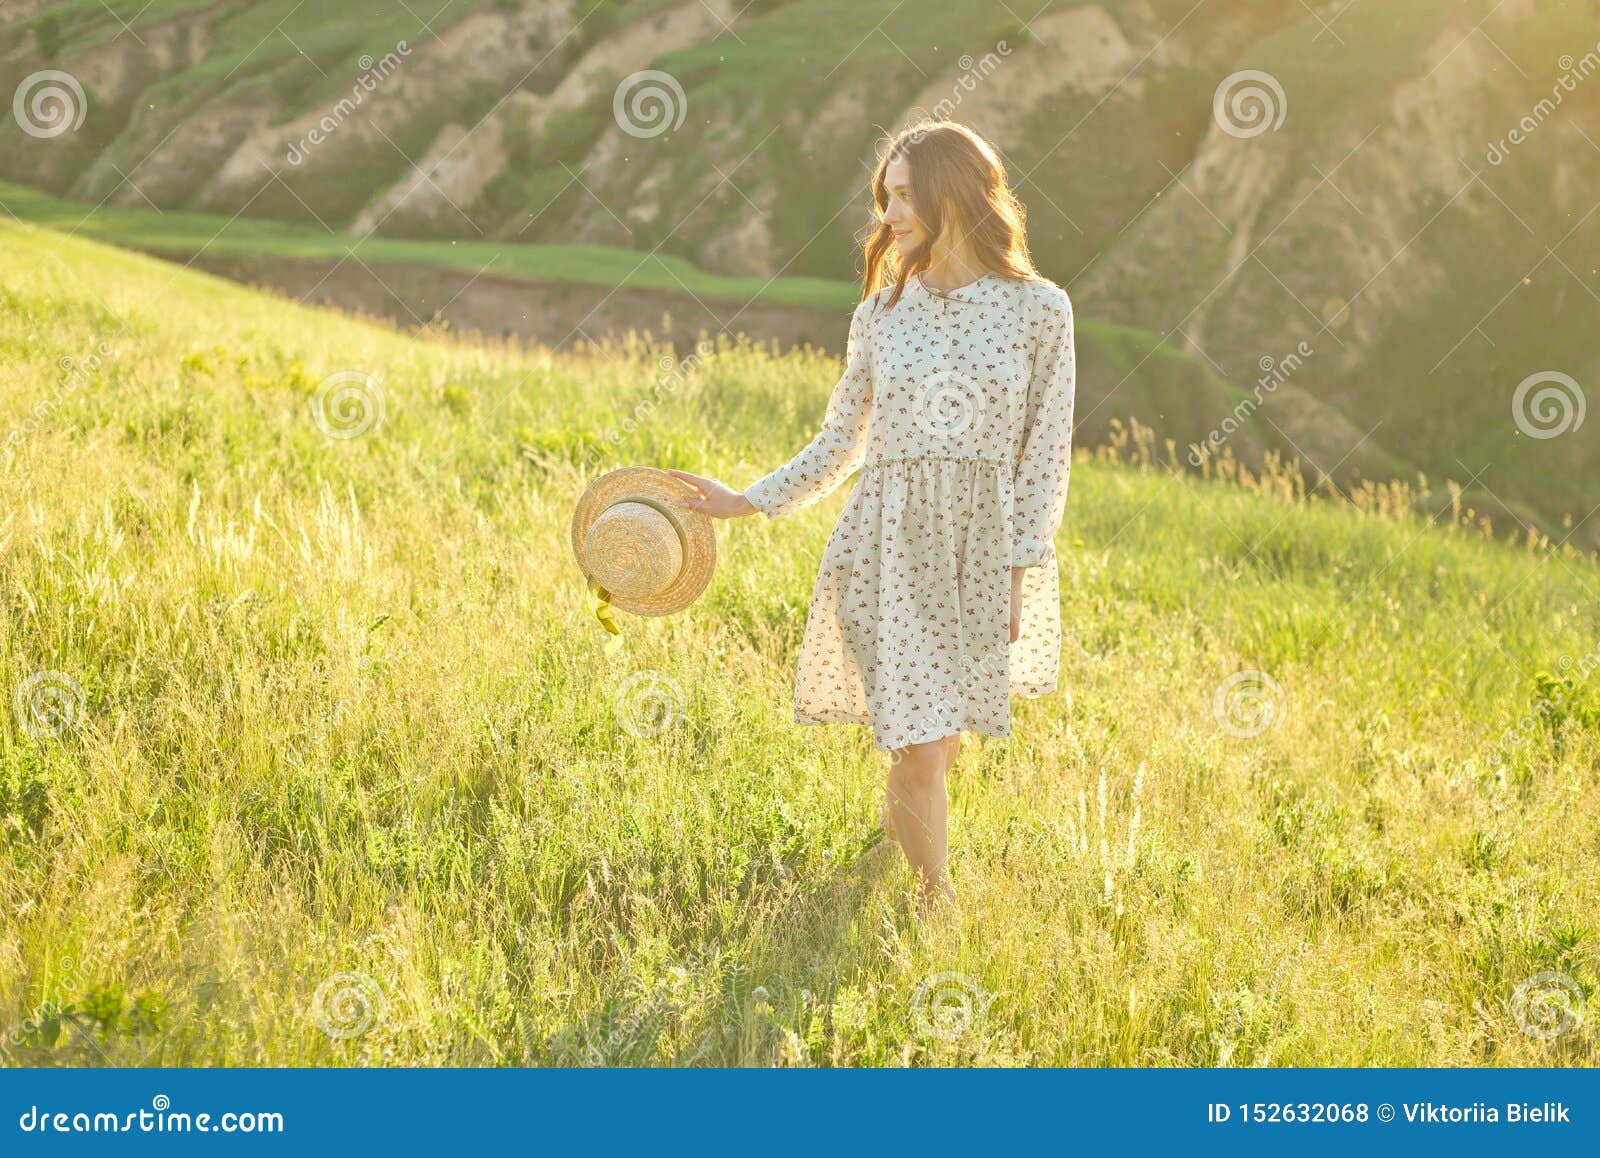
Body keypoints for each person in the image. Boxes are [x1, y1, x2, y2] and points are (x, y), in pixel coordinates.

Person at [670, 121, 1076, 909]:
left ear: (953, 192)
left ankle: (883, 868)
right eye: (883, 197)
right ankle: (935, 905)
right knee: (922, 748)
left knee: (937, 747)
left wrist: (1019, 572)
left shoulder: (1041, 312)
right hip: (885, 547)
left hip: (980, 553)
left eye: (900, 194)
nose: (887, 213)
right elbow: (838, 444)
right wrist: (747, 500)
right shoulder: (880, 315)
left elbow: (1046, 453)